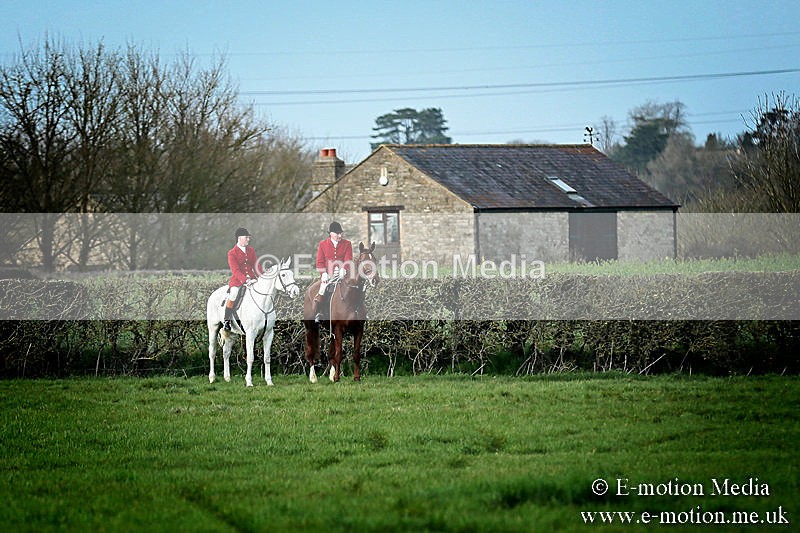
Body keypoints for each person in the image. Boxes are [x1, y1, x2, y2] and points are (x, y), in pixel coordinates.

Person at [311, 221, 353, 322]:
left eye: (340, 233)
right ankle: (319, 313)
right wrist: (323, 274)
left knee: (354, 287)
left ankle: (357, 310)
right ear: (330, 234)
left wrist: (345, 269)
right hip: (328, 275)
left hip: (343, 275)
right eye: (337, 233)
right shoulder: (323, 244)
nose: (339, 235)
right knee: (322, 289)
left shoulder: (347, 243)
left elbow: (348, 259)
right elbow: (320, 262)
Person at [224, 227, 263, 331]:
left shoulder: (251, 250)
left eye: (248, 238)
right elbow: (235, 270)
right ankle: (226, 320)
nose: (248, 239)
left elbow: (256, 264)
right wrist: (245, 280)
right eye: (246, 238)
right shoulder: (232, 253)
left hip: (252, 279)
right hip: (238, 281)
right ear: (239, 238)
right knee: (233, 294)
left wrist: (262, 276)